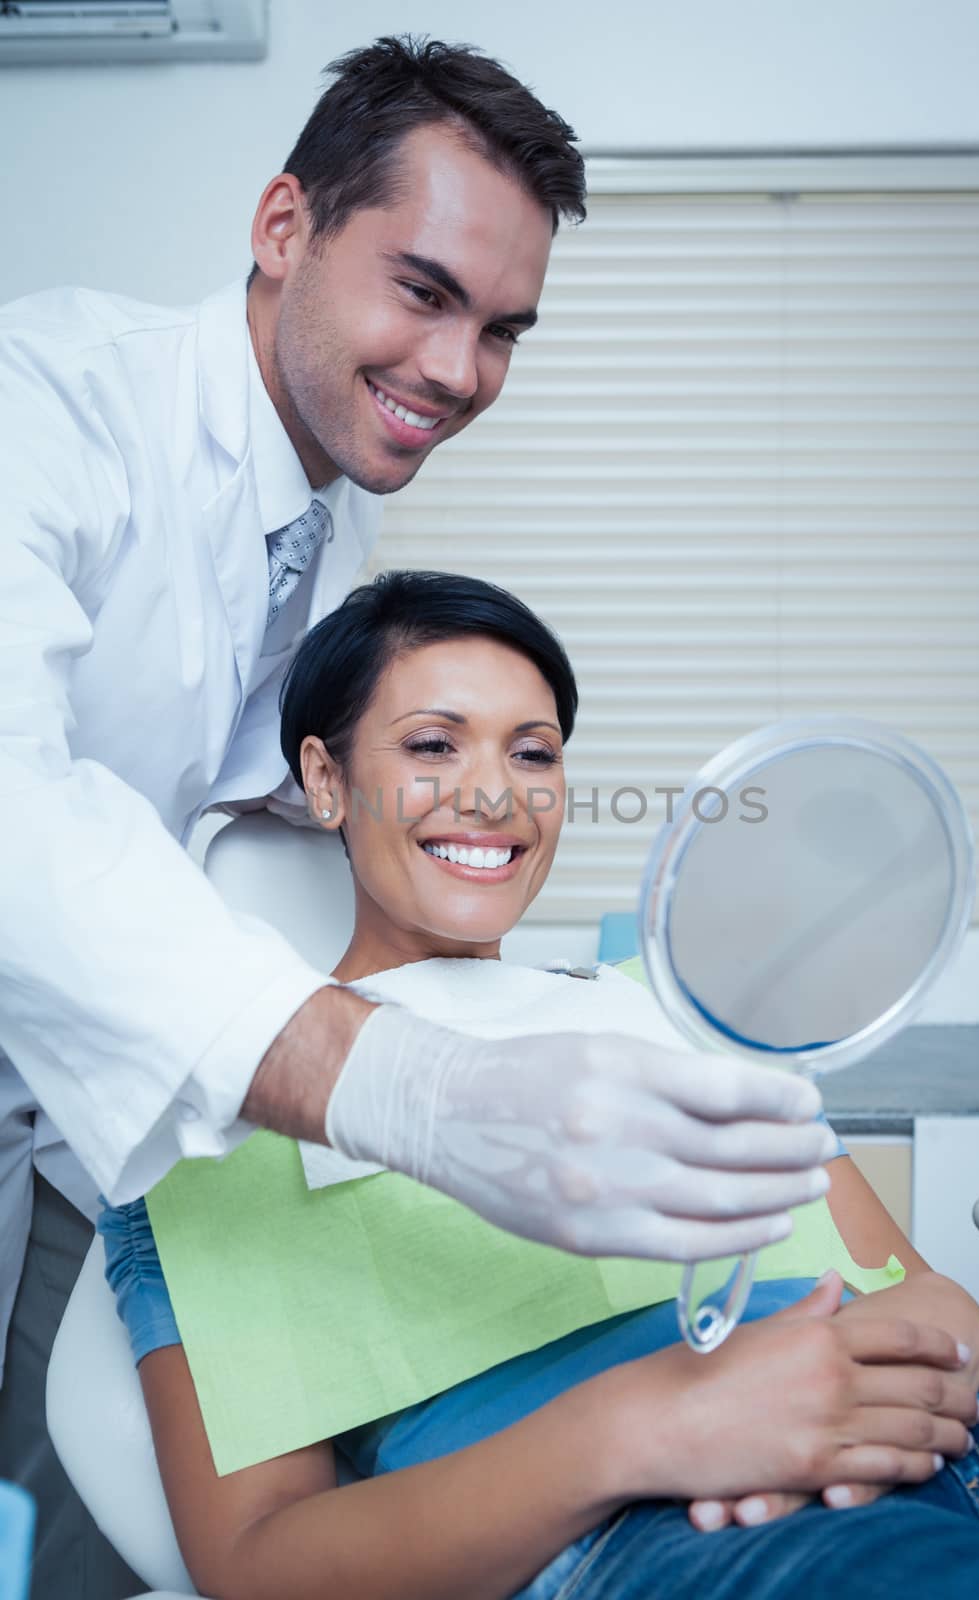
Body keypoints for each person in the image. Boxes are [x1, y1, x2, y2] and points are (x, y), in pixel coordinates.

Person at [0, 35, 828, 1599]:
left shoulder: (333, 517)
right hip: (101, 1060)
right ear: (281, 226)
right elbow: (15, 810)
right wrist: (415, 1093)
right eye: (423, 291)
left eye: (502, 328)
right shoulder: (47, 405)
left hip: (97, 1101)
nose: (457, 371)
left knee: (82, 1549)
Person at [98, 569, 979, 1600]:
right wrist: (651, 1423)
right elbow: (255, 1558)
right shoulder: (218, 1122)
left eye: (533, 753)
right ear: (325, 779)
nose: (494, 793)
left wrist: (908, 1347)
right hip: (679, 1532)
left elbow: (944, 1310)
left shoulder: (678, 1008)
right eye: (433, 744)